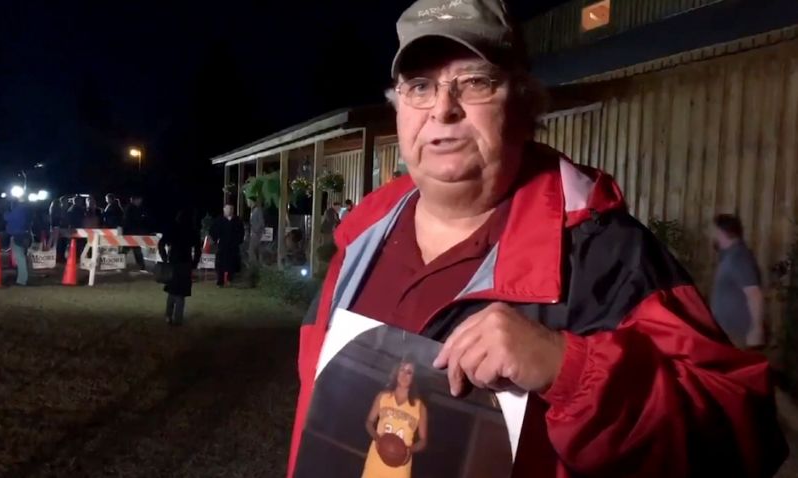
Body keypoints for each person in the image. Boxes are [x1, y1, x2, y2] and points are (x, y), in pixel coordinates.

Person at [287, 1, 787, 476]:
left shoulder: (608, 254)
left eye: (475, 82)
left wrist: (569, 371)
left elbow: (744, 436)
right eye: (420, 86)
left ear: (522, 104)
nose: (443, 110)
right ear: (399, 108)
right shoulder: (360, 241)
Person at [362, 358, 428, 478]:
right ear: (396, 371)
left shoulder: (420, 407)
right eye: (402, 369)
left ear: (414, 378)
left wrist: (410, 449)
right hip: (377, 457)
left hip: (401, 464)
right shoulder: (382, 397)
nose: (404, 375)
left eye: (409, 372)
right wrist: (378, 438)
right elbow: (369, 422)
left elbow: (423, 440)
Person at [710, 214, 765, 349]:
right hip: (726, 331)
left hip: (737, 333)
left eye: (714, 231)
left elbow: (754, 293)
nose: (712, 235)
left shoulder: (739, 257)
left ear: (722, 232)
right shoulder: (729, 255)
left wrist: (756, 328)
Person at [158, 210, 200, 326]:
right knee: (181, 292)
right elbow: (198, 249)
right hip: (186, 264)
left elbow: (161, 243)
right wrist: (195, 263)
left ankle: (168, 315)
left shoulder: (173, 229)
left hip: (173, 262)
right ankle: (178, 319)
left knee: (172, 290)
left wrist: (165, 257)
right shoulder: (193, 231)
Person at [210, 204, 245, 287]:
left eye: (230, 209)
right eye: (227, 209)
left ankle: (230, 279)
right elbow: (213, 231)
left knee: (231, 263)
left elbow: (241, 232)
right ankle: (220, 280)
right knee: (220, 263)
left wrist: (238, 241)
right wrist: (215, 239)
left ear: (232, 210)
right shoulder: (219, 220)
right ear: (224, 210)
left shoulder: (237, 221)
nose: (228, 211)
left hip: (233, 246)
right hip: (222, 245)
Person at [4, 198, 33, 286]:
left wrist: (6, 210)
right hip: (26, 235)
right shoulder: (26, 211)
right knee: (23, 257)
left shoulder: (15, 212)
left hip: (18, 236)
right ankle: (24, 277)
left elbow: (6, 217)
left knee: (20, 258)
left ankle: (22, 280)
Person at [123, 195, 149, 272]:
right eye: (139, 200)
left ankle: (141, 266)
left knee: (128, 250)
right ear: (135, 200)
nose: (140, 202)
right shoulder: (131, 208)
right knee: (134, 250)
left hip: (132, 233)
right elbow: (129, 221)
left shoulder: (134, 208)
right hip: (131, 233)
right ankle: (141, 266)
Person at [247, 198, 265, 268]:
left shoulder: (258, 210)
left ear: (251, 201)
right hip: (253, 233)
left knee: (252, 250)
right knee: (255, 250)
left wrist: (255, 230)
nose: (247, 203)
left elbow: (261, 222)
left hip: (256, 234)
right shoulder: (253, 210)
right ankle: (256, 265)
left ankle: (254, 266)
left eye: (248, 201)